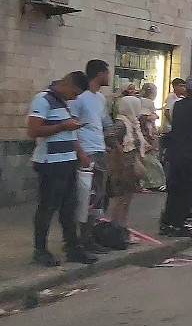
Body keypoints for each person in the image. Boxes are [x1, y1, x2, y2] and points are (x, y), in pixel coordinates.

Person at [28, 72, 94, 266]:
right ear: (67, 84)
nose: (74, 98)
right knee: (47, 207)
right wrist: (64, 125)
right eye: (74, 93)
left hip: (68, 161)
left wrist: (80, 154)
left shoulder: (64, 103)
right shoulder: (43, 100)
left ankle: (73, 248)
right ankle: (40, 250)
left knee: (69, 208)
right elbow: (33, 131)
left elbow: (70, 135)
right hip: (50, 163)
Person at [160, 77, 192, 238]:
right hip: (191, 152)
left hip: (176, 151)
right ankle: (178, 222)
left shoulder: (178, 105)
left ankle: (167, 221)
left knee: (175, 187)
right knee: (188, 188)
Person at [74, 59, 113, 252]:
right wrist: (81, 153)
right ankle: (82, 239)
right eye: (107, 73)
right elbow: (72, 128)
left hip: (99, 149)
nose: (109, 77)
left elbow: (105, 123)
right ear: (99, 74)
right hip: (87, 152)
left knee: (98, 196)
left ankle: (91, 236)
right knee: (87, 197)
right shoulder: (80, 98)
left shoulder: (100, 99)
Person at [106, 94, 145, 227]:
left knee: (127, 197)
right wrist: (120, 150)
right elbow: (110, 137)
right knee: (121, 197)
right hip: (122, 165)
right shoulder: (122, 123)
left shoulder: (131, 123)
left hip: (129, 163)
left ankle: (122, 226)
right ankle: (116, 226)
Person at [137, 83, 166, 191]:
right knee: (150, 162)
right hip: (147, 137)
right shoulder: (147, 111)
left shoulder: (140, 106)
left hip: (145, 136)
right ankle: (150, 183)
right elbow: (149, 127)